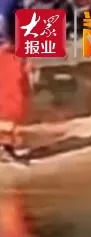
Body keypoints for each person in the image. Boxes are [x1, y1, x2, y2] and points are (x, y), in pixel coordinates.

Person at [0, 0, 30, 162]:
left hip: (10, 50)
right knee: (12, 98)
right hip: (8, 52)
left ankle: (6, 144)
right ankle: (5, 144)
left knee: (12, 98)